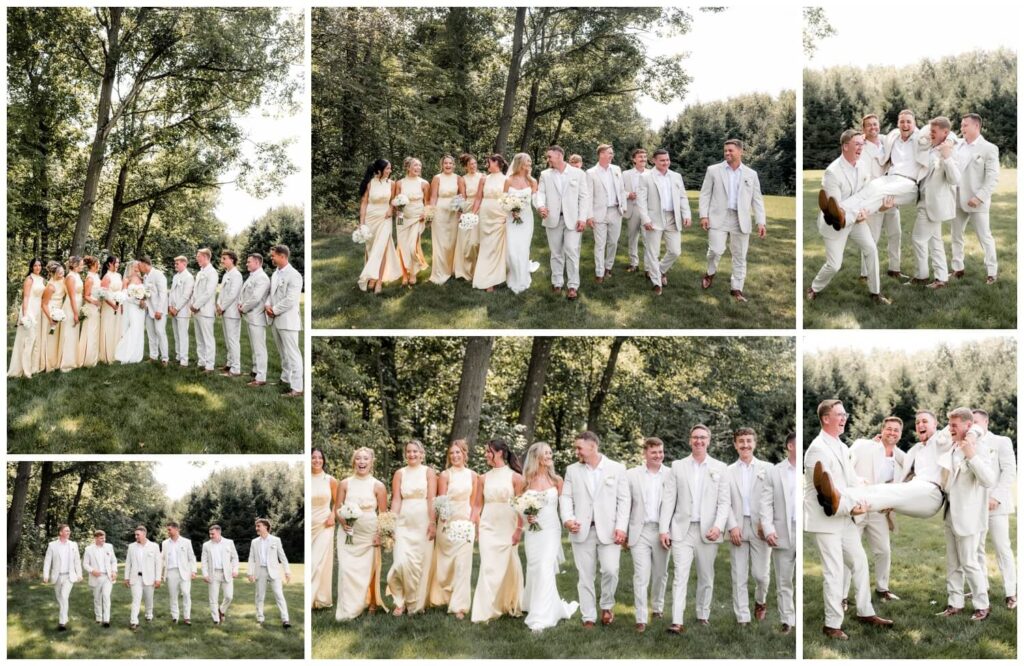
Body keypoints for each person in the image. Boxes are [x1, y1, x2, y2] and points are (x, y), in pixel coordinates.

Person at [804, 400, 892, 641]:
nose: (844, 418)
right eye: (839, 415)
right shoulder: (817, 450)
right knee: (833, 572)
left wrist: (865, 493)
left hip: (845, 518)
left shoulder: (841, 446)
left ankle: (865, 612)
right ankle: (831, 625)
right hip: (826, 519)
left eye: (845, 414)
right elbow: (825, 494)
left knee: (860, 563)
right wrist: (852, 509)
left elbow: (850, 481)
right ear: (825, 419)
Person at [806, 129, 892, 304]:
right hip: (835, 223)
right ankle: (813, 288)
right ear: (845, 146)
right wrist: (857, 214)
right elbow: (836, 208)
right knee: (834, 265)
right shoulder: (832, 172)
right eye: (857, 144)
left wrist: (873, 209)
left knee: (871, 249)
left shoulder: (863, 165)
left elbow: (866, 194)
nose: (861, 147)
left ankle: (875, 293)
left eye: (862, 144)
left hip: (856, 219)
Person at [659, 424, 730, 633]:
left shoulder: (720, 468)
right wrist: (664, 529)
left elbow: (724, 502)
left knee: (706, 575)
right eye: (695, 437)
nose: (699, 441)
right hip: (682, 529)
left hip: (709, 530)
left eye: (703, 437)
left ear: (709, 441)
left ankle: (702, 614)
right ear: (690, 440)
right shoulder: (678, 466)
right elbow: (669, 499)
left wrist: (718, 526)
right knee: (680, 575)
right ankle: (677, 621)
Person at [560, 430, 629, 627]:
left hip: (609, 531)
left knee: (611, 570)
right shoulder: (572, 470)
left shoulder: (617, 469)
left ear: (593, 446)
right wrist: (568, 519)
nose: (577, 452)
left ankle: (607, 605)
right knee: (585, 575)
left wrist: (621, 527)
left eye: (579, 448)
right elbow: (565, 497)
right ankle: (588, 616)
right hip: (581, 530)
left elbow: (624, 500)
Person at [842, 417, 906, 603]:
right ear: (882, 430)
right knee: (849, 553)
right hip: (857, 508)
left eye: (896, 430)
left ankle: (882, 589)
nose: (892, 433)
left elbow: (909, 471)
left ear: (900, 434)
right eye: (889, 429)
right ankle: (843, 596)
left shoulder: (900, 458)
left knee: (884, 551)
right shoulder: (864, 446)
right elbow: (846, 467)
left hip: (880, 511)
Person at [942, 407, 996, 621]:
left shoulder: (979, 448)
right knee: (953, 563)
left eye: (954, 425)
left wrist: (971, 455)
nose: (950, 429)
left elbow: (989, 480)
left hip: (968, 516)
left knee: (970, 562)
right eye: (949, 424)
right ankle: (955, 603)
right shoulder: (954, 447)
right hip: (949, 513)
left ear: (968, 425)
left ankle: (982, 605)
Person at [698, 139, 766, 302]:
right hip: (718, 217)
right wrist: (704, 215)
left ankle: (736, 289)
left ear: (740, 152)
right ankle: (710, 272)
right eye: (725, 151)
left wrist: (761, 221)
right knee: (715, 250)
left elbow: (757, 199)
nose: (727, 153)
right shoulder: (713, 170)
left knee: (740, 255)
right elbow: (705, 194)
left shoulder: (751, 174)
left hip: (741, 219)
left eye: (730, 150)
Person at [521, 441, 579, 631]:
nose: (549, 456)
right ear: (536, 456)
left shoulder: (557, 480)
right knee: (534, 567)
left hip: (551, 530)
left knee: (545, 566)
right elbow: (519, 506)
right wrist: (526, 515)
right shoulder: (526, 481)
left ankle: (541, 616)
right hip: (533, 531)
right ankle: (534, 604)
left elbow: (565, 507)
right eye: (546, 453)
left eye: (550, 453)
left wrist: (569, 522)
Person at [471, 439, 525, 623]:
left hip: (507, 525)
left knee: (507, 564)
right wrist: (474, 525)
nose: (486, 454)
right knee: (488, 566)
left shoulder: (516, 478)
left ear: (500, 453)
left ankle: (508, 602)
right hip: (488, 526)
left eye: (489, 451)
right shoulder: (483, 478)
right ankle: (484, 610)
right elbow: (477, 505)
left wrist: (518, 530)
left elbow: (521, 507)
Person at [725, 427, 773, 625]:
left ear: (755, 443)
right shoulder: (727, 471)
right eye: (741, 441)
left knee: (761, 575)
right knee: (739, 575)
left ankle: (760, 601)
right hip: (737, 525)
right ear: (735, 444)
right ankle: (742, 616)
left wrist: (767, 524)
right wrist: (732, 526)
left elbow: (773, 499)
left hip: (760, 527)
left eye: (748, 441)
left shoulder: (768, 469)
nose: (745, 444)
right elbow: (723, 501)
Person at [336, 447, 389, 620]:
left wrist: (379, 535)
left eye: (365, 459)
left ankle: (371, 602)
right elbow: (337, 508)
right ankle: (348, 607)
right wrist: (344, 523)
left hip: (369, 533)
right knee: (346, 569)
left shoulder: (378, 486)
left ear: (371, 462)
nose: (361, 462)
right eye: (358, 458)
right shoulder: (344, 483)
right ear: (354, 462)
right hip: (347, 533)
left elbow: (383, 514)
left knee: (369, 569)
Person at [428, 440, 478, 618]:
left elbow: (474, 503)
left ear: (465, 454)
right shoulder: (445, 475)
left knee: (463, 565)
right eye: (452, 453)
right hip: (447, 524)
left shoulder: (473, 475)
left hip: (465, 523)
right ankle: (446, 595)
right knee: (446, 566)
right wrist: (443, 516)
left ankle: (460, 606)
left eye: (458, 452)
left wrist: (472, 522)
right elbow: (442, 499)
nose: (455, 456)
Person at [625, 437, 671, 633]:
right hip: (639, 530)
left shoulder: (671, 474)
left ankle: (658, 607)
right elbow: (625, 505)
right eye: (654, 452)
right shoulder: (631, 475)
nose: (658, 456)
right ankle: (641, 617)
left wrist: (668, 529)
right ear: (645, 453)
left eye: (661, 452)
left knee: (661, 573)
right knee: (641, 575)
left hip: (662, 531)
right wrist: (624, 531)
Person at [972, 409, 1017, 609]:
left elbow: (1009, 471)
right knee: (976, 550)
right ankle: (983, 587)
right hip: (974, 505)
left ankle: (1011, 592)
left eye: (976, 421)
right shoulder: (970, 444)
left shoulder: (1001, 441)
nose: (973, 425)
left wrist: (996, 497)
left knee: (1002, 548)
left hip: (997, 505)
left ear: (986, 422)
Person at [387, 440, 437, 616]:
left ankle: (415, 603)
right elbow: (396, 500)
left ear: (421, 454)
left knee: (419, 565)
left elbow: (432, 499)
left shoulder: (429, 472)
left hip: (422, 522)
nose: (412, 454)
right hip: (403, 523)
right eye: (409, 451)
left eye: (415, 451)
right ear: (405, 454)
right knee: (400, 563)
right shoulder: (400, 473)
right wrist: (390, 522)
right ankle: (399, 601)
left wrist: (432, 523)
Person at [908, 117, 959, 289]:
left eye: (934, 132)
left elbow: (954, 179)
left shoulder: (950, 150)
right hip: (924, 200)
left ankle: (922, 276)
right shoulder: (931, 146)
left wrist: (946, 158)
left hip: (933, 204)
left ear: (945, 133)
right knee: (935, 241)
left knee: (918, 239)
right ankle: (941, 278)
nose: (931, 135)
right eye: (930, 131)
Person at [537, 145, 592, 300]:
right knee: (556, 253)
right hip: (552, 219)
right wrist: (541, 206)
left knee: (572, 251)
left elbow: (584, 197)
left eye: (549, 157)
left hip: (573, 220)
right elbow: (540, 193)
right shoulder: (545, 174)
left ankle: (573, 286)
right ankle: (557, 282)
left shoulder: (578, 173)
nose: (548, 160)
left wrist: (582, 218)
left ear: (559, 156)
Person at [951, 113, 1000, 284]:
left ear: (976, 126)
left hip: (976, 200)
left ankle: (992, 272)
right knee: (956, 235)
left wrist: (979, 197)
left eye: (965, 125)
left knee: (984, 237)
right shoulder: (957, 145)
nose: (962, 128)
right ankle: (958, 268)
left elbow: (992, 178)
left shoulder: (989, 148)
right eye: (962, 125)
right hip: (956, 198)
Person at [637, 148, 690, 296]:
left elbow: (682, 197)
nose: (666, 162)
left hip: (673, 218)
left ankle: (660, 270)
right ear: (654, 161)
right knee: (652, 252)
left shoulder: (676, 176)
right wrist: (645, 219)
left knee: (675, 251)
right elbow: (641, 201)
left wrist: (686, 214)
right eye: (662, 160)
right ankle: (656, 282)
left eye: (667, 160)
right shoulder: (645, 177)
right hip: (653, 219)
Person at [858, 114, 903, 281]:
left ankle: (894, 268)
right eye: (868, 125)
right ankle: (865, 273)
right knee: (871, 238)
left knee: (895, 234)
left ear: (879, 125)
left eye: (875, 124)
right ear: (863, 129)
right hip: (874, 197)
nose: (872, 128)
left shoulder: (886, 140)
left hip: (892, 195)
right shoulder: (861, 147)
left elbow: (903, 134)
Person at [760, 433, 797, 634]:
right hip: (782, 531)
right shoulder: (775, 472)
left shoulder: (809, 467)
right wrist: (768, 529)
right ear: (790, 446)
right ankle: (787, 620)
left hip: (804, 529)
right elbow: (765, 503)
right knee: (784, 579)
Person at [357, 159, 403, 293]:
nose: (390, 171)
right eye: (387, 168)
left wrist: (391, 209)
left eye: (390, 168)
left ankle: (379, 281)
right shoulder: (370, 183)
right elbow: (364, 202)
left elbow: (393, 201)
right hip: (371, 218)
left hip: (385, 218)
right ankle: (371, 276)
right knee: (371, 248)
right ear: (379, 170)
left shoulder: (392, 184)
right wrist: (362, 222)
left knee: (382, 248)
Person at [585, 144, 628, 283]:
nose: (612, 155)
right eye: (609, 153)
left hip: (615, 211)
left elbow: (621, 190)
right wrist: (589, 216)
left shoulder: (616, 169)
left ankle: (608, 267)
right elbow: (588, 196)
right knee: (600, 244)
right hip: (599, 213)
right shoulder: (591, 172)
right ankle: (599, 272)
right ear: (601, 154)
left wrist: (624, 206)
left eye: (612, 153)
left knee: (613, 242)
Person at [266, 244, 303, 397]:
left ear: (282, 256)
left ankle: (297, 388)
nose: (272, 257)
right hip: (275, 319)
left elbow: (291, 299)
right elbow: (271, 293)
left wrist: (274, 310)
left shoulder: (294, 275)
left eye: (273, 255)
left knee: (293, 354)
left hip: (288, 320)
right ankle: (285, 378)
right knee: (283, 353)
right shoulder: (275, 274)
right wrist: (268, 304)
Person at [470, 154, 510, 292]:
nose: (487, 164)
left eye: (489, 162)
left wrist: (506, 216)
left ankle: (495, 278)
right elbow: (477, 199)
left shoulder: (506, 180)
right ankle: (486, 279)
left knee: (496, 247)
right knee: (486, 246)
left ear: (496, 163)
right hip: (485, 216)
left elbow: (507, 199)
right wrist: (473, 214)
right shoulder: (483, 179)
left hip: (499, 216)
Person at [504, 152, 539, 294]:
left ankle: (523, 277)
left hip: (526, 218)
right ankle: (513, 275)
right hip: (511, 218)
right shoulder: (508, 180)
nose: (529, 164)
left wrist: (542, 209)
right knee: (512, 249)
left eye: (530, 162)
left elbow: (536, 200)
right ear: (519, 163)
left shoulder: (532, 181)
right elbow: (503, 198)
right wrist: (511, 209)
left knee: (523, 248)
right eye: (527, 162)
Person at [248, 518, 292, 628]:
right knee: (259, 596)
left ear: (266, 527)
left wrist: (287, 571)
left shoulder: (276, 540)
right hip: (260, 571)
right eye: (256, 526)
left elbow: (282, 557)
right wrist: (250, 573)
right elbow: (251, 558)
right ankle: (260, 618)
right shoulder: (254, 542)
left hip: (274, 571)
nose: (256, 528)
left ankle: (285, 620)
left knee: (279, 595)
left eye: (259, 526)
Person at [394, 156, 431, 286]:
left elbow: (427, 202)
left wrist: (425, 215)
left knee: (411, 247)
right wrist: (398, 222)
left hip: (417, 218)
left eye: (420, 165)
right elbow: (397, 203)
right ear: (408, 167)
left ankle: (413, 273)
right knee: (402, 247)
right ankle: (405, 274)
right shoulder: (399, 183)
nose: (418, 168)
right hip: (403, 219)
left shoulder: (424, 183)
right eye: (415, 165)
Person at [429, 154, 465, 285]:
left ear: (454, 165)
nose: (448, 165)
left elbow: (462, 196)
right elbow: (433, 197)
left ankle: (452, 269)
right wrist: (430, 213)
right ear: (442, 165)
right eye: (446, 163)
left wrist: (460, 210)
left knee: (452, 242)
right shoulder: (437, 178)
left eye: (450, 163)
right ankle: (439, 272)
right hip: (440, 213)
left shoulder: (458, 178)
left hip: (454, 214)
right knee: (440, 242)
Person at [7, 258, 45, 378]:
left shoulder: (42, 279)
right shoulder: (29, 279)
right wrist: (25, 314)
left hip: (39, 310)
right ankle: (24, 370)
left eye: (39, 265)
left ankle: (32, 367)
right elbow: (26, 297)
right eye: (35, 266)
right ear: (31, 267)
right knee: (28, 339)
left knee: (35, 340)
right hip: (30, 310)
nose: (38, 267)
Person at [311, 447, 338, 609]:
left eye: (320, 458)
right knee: (312, 563)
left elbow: (338, 501)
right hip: (309, 525)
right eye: (313, 457)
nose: (317, 460)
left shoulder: (330, 480)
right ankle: (317, 599)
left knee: (317, 563)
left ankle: (311, 599)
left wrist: (333, 516)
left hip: (324, 525)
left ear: (324, 460)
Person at [42, 524, 82, 631]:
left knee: (64, 596)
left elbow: (77, 561)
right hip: (57, 577)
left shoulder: (73, 545)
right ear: (60, 533)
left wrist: (79, 574)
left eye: (69, 531)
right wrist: (45, 575)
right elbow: (47, 561)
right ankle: (65, 616)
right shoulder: (52, 545)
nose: (69, 533)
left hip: (69, 576)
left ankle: (62, 622)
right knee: (60, 598)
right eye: (66, 531)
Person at [240, 253, 271, 387]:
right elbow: (245, 293)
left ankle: (261, 377)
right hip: (251, 315)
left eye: (249, 262)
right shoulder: (253, 276)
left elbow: (256, 298)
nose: (247, 264)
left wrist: (243, 308)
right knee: (254, 347)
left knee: (259, 348)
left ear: (258, 263)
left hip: (257, 316)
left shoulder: (262, 278)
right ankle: (255, 371)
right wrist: (240, 303)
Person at [125, 525, 162, 630]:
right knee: (136, 599)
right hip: (135, 577)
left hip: (150, 578)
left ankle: (149, 615)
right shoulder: (131, 546)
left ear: (144, 534)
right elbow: (128, 563)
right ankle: (133, 621)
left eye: (138, 535)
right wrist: (126, 578)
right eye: (135, 535)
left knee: (149, 599)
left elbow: (158, 564)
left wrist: (158, 579)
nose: (136, 537)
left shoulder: (154, 546)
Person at [201, 524, 239, 625]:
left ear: (219, 532)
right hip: (213, 574)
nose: (211, 536)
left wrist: (235, 570)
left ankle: (221, 610)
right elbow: (204, 561)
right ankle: (216, 620)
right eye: (210, 534)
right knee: (213, 598)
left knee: (229, 596)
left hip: (227, 573)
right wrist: (205, 574)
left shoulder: (229, 542)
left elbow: (235, 557)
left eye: (212, 534)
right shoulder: (206, 545)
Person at [454, 153, 483, 281]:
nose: (473, 166)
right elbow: (462, 196)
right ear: (466, 167)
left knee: (477, 241)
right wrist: (461, 211)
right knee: (466, 241)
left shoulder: (483, 176)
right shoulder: (462, 179)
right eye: (470, 164)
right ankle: (465, 270)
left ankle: (479, 269)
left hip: (482, 209)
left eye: (475, 163)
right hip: (468, 210)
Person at [161, 521, 197, 625]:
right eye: (167, 529)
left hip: (185, 572)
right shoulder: (165, 543)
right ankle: (175, 617)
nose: (168, 531)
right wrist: (161, 573)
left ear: (177, 529)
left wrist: (193, 571)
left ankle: (187, 617)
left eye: (169, 529)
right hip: (171, 572)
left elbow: (192, 558)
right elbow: (162, 559)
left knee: (186, 593)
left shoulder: (186, 542)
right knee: (173, 595)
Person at [621, 148, 650, 273]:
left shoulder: (651, 173)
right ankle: (634, 264)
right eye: (640, 157)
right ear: (634, 159)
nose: (643, 159)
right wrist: (628, 195)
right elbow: (619, 190)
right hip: (632, 209)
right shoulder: (626, 174)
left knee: (648, 239)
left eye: (644, 156)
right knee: (632, 237)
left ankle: (649, 267)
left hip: (647, 211)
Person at [82, 529, 117, 628]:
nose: (104, 540)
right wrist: (92, 571)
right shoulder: (89, 549)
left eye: (104, 538)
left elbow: (114, 560)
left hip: (107, 577)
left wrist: (114, 571)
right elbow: (85, 564)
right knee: (97, 598)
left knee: (106, 596)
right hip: (96, 577)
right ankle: (98, 617)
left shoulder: (109, 547)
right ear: (96, 538)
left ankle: (106, 620)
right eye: (101, 538)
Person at [138, 256, 169, 365]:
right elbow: (147, 293)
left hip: (158, 310)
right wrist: (143, 301)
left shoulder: (158, 275)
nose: (139, 267)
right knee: (151, 335)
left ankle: (165, 358)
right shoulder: (145, 276)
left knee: (160, 333)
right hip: (149, 310)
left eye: (140, 265)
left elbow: (163, 293)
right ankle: (153, 356)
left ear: (145, 264)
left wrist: (159, 310)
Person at [191, 248, 218, 371]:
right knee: (199, 338)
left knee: (208, 339)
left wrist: (196, 306)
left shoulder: (212, 272)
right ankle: (201, 361)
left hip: (205, 311)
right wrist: (193, 304)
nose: (197, 258)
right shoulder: (200, 272)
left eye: (199, 256)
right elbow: (196, 291)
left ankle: (210, 365)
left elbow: (208, 292)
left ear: (206, 257)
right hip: (196, 310)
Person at [217, 250, 243, 376]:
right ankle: (229, 364)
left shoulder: (236, 275)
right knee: (228, 340)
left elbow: (233, 294)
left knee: (233, 340)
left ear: (232, 259)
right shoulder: (226, 274)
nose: (222, 261)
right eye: (222, 259)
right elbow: (222, 291)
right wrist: (218, 304)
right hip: (224, 310)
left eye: (224, 258)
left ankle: (236, 368)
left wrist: (222, 307)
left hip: (232, 312)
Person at [114, 260, 146, 364]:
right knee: (133, 328)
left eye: (138, 266)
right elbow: (124, 295)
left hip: (140, 309)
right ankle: (124, 352)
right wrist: (136, 301)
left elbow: (145, 293)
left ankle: (137, 354)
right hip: (131, 307)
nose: (137, 267)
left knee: (139, 329)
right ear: (131, 267)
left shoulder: (142, 279)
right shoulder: (127, 279)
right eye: (135, 266)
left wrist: (142, 300)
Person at [168, 255, 195, 367]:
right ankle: (178, 356)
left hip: (182, 310)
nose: (175, 265)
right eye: (175, 263)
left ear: (184, 264)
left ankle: (184, 360)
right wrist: (170, 306)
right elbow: (172, 292)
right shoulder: (175, 276)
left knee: (183, 335)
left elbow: (186, 295)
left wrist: (177, 308)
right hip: (173, 309)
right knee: (176, 334)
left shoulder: (189, 277)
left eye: (177, 263)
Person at [58, 256, 84, 372]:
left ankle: (73, 359)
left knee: (74, 334)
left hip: (77, 305)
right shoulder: (70, 277)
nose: (83, 266)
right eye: (81, 264)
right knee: (68, 333)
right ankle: (66, 362)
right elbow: (72, 297)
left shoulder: (77, 276)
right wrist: (75, 313)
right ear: (74, 264)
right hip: (71, 307)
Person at [76, 255, 102, 367]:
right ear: (93, 264)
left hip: (96, 307)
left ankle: (93, 358)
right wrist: (94, 302)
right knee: (90, 330)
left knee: (95, 330)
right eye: (98, 263)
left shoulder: (96, 276)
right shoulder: (90, 278)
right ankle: (87, 359)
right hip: (91, 307)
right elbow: (85, 295)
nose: (100, 265)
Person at [40, 262, 66, 372]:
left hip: (59, 310)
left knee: (56, 337)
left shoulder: (63, 281)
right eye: (59, 272)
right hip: (50, 311)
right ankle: (48, 363)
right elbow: (44, 304)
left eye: (62, 271)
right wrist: (50, 319)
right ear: (53, 273)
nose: (62, 273)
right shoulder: (50, 287)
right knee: (50, 337)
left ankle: (56, 361)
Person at [97, 255, 123, 364]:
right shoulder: (106, 277)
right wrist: (113, 305)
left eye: (118, 262)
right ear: (109, 264)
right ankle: (106, 354)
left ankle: (116, 352)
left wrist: (120, 304)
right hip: (109, 307)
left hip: (118, 305)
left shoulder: (119, 275)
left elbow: (120, 291)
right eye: (115, 263)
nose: (117, 264)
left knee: (116, 328)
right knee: (108, 328)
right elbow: (104, 295)